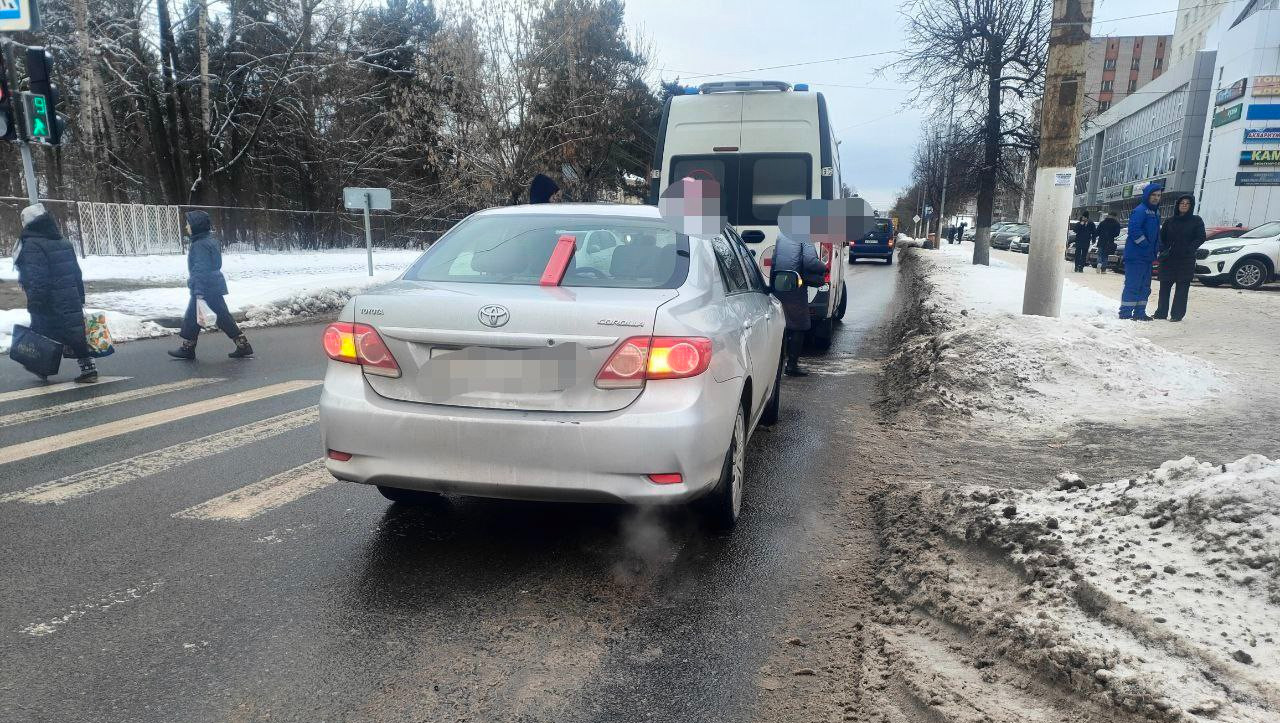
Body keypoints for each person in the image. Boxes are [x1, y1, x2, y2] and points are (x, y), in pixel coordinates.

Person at [13, 204, 98, 383]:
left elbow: (37, 277)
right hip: (69, 296)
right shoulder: (63, 241)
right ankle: (89, 369)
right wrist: (80, 297)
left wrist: (35, 302)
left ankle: (41, 367)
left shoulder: (32, 244)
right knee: (74, 333)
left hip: (48, 299)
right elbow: (76, 272)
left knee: (43, 333)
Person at [168, 211, 254, 360]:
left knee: (195, 316)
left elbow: (201, 268)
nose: (186, 226)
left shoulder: (200, 245)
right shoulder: (209, 240)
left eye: (188, 223)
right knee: (217, 316)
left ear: (196, 225)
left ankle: (188, 348)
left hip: (205, 286)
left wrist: (199, 290)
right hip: (213, 284)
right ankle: (242, 345)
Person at [772, 202, 835, 377]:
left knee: (783, 324)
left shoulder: (781, 236)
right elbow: (809, 262)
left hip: (780, 284)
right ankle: (792, 365)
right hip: (795, 285)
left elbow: (775, 260)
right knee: (799, 325)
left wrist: (772, 285)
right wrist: (824, 268)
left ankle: (777, 364)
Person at [1153, 195, 1206, 322]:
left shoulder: (1196, 220)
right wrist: (1163, 250)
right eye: (1182, 203)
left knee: (1182, 288)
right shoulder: (1170, 221)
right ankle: (1161, 312)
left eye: (1187, 203)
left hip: (1185, 259)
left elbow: (1201, 237)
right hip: (1169, 259)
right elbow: (1162, 238)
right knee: (1164, 287)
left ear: (1191, 206)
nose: (1184, 205)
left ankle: (1177, 315)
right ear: (1177, 205)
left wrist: (1190, 248)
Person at [1121, 183, 1163, 321]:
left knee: (1145, 287)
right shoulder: (1140, 210)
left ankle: (1140, 313)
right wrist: (1145, 245)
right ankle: (1126, 314)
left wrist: (1157, 248)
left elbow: (1156, 234)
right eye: (1153, 195)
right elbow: (1134, 230)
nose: (1156, 198)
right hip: (1136, 257)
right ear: (1147, 196)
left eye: (1158, 195)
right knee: (1133, 285)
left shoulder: (1156, 212)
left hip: (1147, 258)